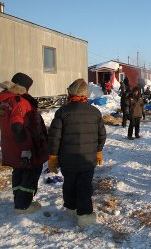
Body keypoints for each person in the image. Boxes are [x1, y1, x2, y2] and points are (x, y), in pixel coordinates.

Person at [48, 78, 106, 228]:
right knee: (84, 185)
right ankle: (84, 215)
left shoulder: (62, 112)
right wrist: (98, 150)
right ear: (85, 95)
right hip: (88, 159)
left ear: (71, 93)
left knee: (69, 183)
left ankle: (71, 208)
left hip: (67, 159)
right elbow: (102, 135)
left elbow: (54, 137)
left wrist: (53, 156)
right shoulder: (95, 112)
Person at [0, 72, 48, 214]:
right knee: (31, 170)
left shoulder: (6, 100)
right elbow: (17, 124)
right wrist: (26, 146)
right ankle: (23, 205)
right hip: (22, 145)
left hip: (10, 144)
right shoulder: (20, 101)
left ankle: (19, 200)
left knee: (18, 170)